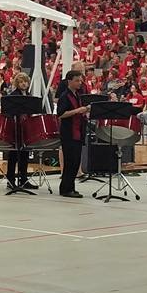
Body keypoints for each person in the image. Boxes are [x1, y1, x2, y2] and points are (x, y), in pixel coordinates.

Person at [57, 70, 89, 198]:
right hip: (69, 133)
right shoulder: (65, 96)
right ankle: (65, 188)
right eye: (77, 80)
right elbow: (61, 114)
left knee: (75, 162)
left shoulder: (78, 95)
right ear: (69, 81)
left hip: (78, 132)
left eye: (80, 80)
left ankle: (71, 187)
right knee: (70, 162)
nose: (79, 83)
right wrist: (77, 111)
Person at [4, 72, 33, 193]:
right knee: (14, 155)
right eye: (21, 82)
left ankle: (23, 180)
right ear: (17, 83)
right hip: (15, 128)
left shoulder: (29, 96)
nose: (24, 84)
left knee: (25, 154)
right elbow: (8, 112)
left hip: (25, 127)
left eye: (25, 81)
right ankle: (11, 181)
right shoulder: (13, 96)